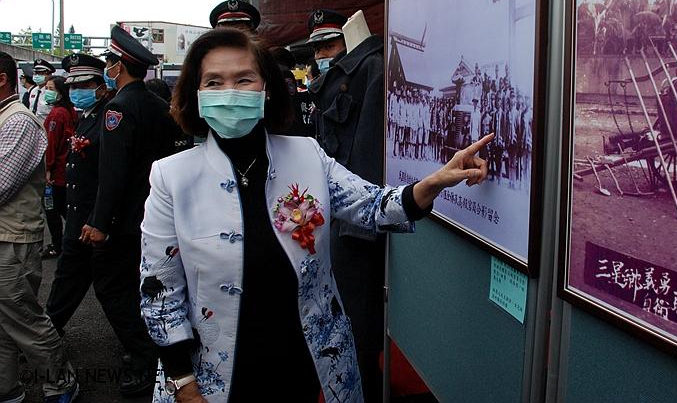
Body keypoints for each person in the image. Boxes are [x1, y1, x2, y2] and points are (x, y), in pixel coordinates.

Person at [138, 28, 491, 403]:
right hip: (215, 378)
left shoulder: (306, 155)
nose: (230, 92)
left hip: (306, 363)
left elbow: (372, 206)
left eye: (243, 79)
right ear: (196, 93)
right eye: (214, 82)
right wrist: (183, 382)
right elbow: (159, 292)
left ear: (266, 88)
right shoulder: (172, 177)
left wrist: (434, 182)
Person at [79, 25, 184, 396]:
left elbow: (114, 174)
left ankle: (143, 355)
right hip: (157, 215)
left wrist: (99, 223)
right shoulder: (159, 106)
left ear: (118, 67)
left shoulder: (118, 109)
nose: (108, 68)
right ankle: (153, 350)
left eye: (109, 63)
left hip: (125, 221)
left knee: (111, 287)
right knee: (150, 288)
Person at [306, 8, 388, 400]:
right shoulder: (337, 77)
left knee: (358, 318)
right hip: (333, 214)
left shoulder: (371, 70)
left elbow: (369, 148)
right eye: (317, 48)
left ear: (347, 39)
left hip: (356, 220)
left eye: (329, 44)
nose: (321, 54)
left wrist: (359, 224)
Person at [0, 52, 79, 403]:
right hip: (5, 234)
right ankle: (7, 388)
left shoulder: (18, 122)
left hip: (11, 238)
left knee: (22, 316)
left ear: (2, 79)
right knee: (3, 321)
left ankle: (62, 382)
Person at [45, 53, 110, 333]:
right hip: (79, 218)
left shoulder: (107, 119)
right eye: (72, 86)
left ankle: (144, 349)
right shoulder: (86, 116)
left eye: (83, 86)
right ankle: (50, 330)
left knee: (111, 290)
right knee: (69, 277)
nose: (75, 91)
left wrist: (96, 218)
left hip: (91, 219)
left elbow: (111, 176)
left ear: (101, 88)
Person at [41, 75, 77, 259]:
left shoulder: (57, 114)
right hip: (65, 169)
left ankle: (58, 244)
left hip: (56, 171)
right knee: (64, 208)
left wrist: (47, 168)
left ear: (61, 92)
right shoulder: (69, 110)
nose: (46, 92)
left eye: (51, 89)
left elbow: (51, 144)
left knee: (52, 209)